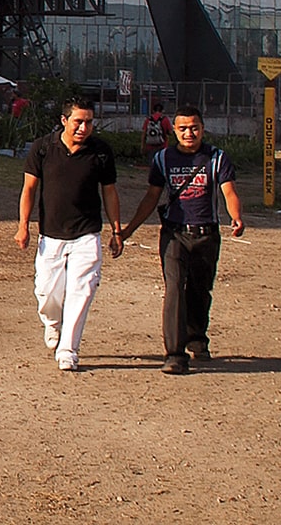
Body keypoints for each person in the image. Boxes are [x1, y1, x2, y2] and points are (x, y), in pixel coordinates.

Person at [118, 104, 245, 374]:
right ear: (173, 130)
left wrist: (236, 217)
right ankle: (175, 354)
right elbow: (152, 197)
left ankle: (197, 338)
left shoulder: (217, 158)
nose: (189, 133)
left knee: (199, 290)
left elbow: (229, 191)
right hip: (174, 235)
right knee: (174, 289)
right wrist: (128, 230)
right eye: (183, 128)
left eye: (194, 127)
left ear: (203, 128)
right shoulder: (163, 159)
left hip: (206, 235)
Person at [15, 95, 123, 374]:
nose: (83, 128)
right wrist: (23, 226)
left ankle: (68, 350)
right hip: (50, 235)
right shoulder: (43, 149)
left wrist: (116, 229)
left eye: (88, 122)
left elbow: (109, 192)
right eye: (78, 122)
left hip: (87, 234)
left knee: (81, 291)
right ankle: (53, 325)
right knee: (47, 292)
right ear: (64, 121)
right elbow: (29, 189)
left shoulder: (100, 152)